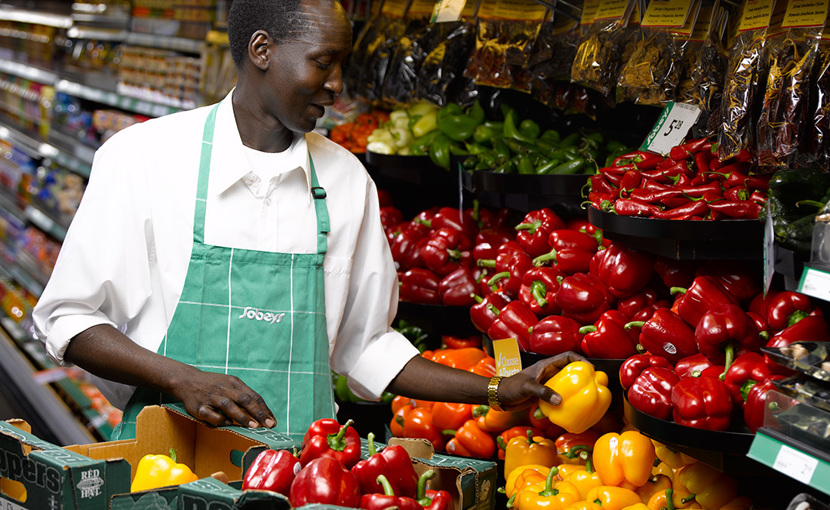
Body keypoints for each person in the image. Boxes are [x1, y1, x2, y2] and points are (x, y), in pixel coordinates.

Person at [32, 0, 584, 440]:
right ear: (262, 49)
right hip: (167, 457)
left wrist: (493, 390)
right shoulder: (144, 159)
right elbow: (68, 318)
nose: (337, 84)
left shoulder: (346, 181)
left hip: (304, 474)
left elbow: (367, 347)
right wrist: (180, 378)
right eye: (323, 61)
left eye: (342, 64)